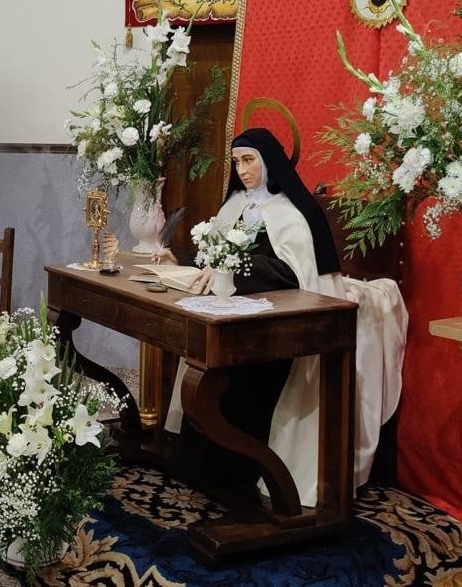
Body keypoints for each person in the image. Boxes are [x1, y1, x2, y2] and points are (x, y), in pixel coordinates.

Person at [159, 128, 406, 506]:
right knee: (202, 360)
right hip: (231, 315)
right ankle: (202, 467)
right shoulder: (234, 206)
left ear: (268, 162)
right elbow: (214, 254)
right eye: (237, 161)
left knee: (242, 377)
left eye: (249, 160)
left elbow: (294, 274)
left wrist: (242, 269)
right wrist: (180, 255)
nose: (242, 169)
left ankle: (241, 472)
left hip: (276, 327)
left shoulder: (292, 213)